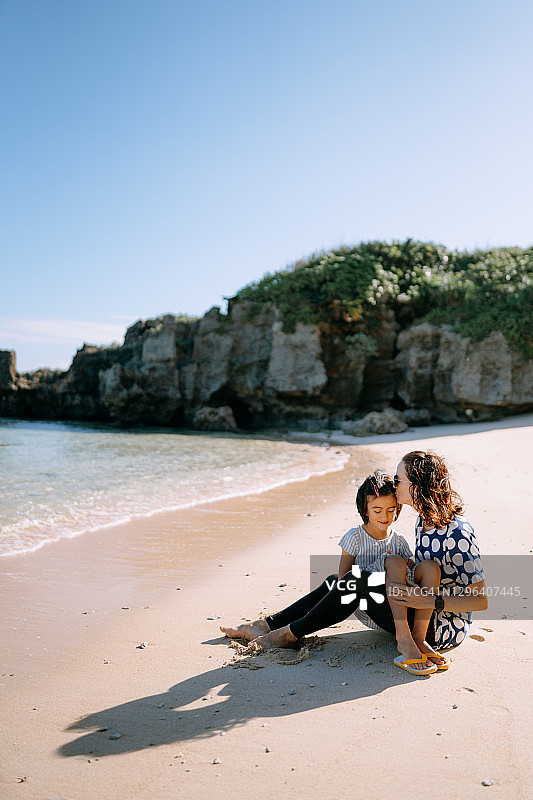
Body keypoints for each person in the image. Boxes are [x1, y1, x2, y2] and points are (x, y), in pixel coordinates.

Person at [221, 470, 442, 676]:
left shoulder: (399, 541)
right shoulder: (355, 537)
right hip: (365, 603)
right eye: (377, 510)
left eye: (391, 510)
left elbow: (410, 573)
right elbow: (343, 580)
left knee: (361, 578)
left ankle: (289, 633)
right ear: (365, 510)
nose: (384, 516)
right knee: (333, 581)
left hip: (392, 608)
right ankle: (266, 625)